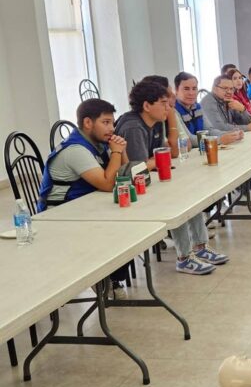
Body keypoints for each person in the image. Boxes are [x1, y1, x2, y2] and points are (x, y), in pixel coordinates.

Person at [116, 80, 229, 275]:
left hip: (151, 180)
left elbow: (173, 153)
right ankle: (184, 258)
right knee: (178, 197)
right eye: (164, 103)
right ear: (146, 106)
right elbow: (138, 170)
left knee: (190, 190)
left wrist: (170, 121)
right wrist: (157, 159)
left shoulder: (157, 121)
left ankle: (200, 247)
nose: (169, 107)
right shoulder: (133, 127)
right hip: (129, 191)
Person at [37, 98, 131, 296]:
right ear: (88, 123)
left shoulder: (97, 143)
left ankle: (111, 277)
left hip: (83, 209)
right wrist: (116, 152)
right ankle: (104, 278)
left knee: (129, 222)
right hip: (59, 218)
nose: (112, 128)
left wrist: (120, 152)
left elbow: (125, 174)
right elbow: (107, 184)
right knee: (121, 227)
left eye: (112, 123)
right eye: (105, 122)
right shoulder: (76, 150)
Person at [174, 72, 242, 144]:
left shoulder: (197, 107)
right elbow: (189, 140)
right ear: (176, 90)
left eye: (194, 88)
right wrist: (219, 140)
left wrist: (232, 134)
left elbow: (209, 131)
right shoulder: (174, 110)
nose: (191, 93)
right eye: (186, 89)